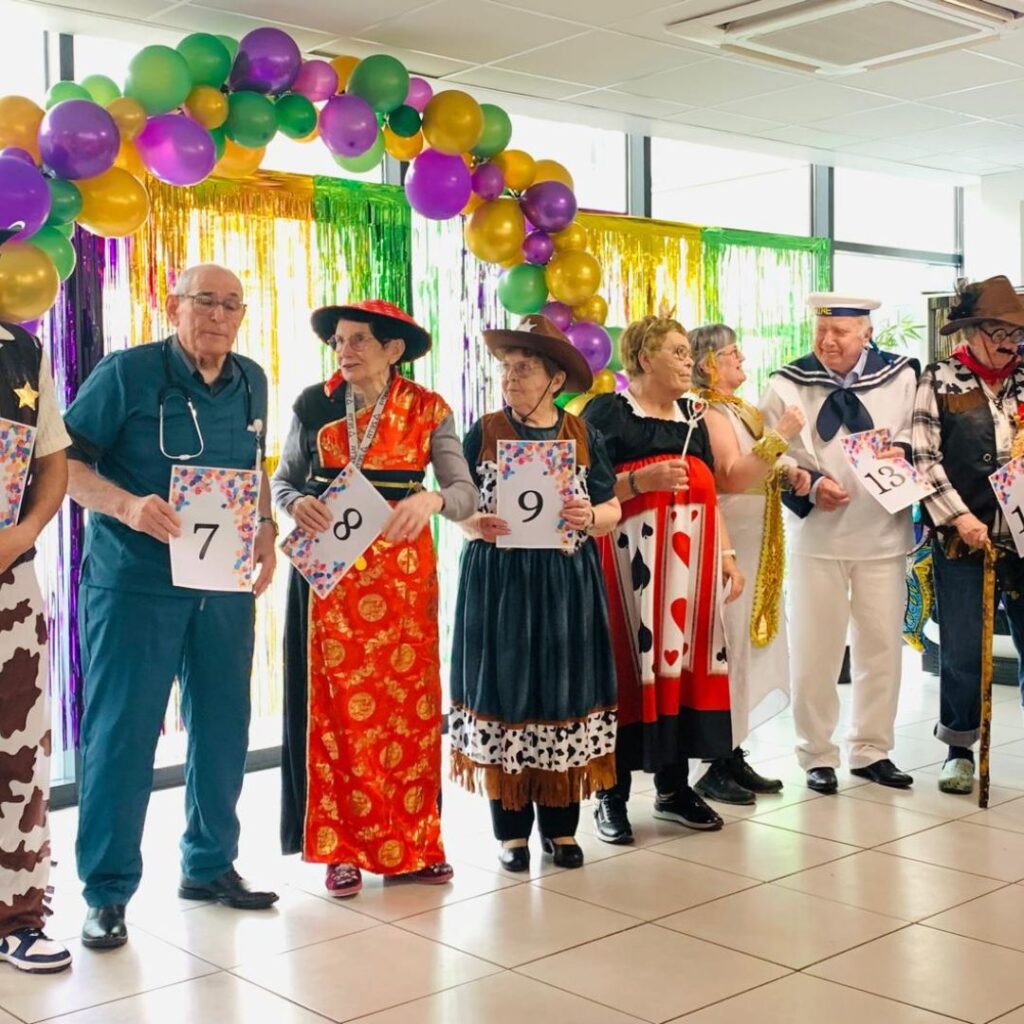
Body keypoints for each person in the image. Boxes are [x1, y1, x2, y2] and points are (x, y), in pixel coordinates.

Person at [64, 264, 278, 950]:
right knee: (123, 735)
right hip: (135, 583)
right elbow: (62, 466)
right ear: (174, 305)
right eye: (205, 301)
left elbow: (256, 469)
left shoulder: (251, 378)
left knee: (222, 727)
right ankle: (106, 891)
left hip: (221, 583)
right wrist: (126, 505)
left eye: (232, 305)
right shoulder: (126, 374)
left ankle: (210, 865)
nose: (219, 315)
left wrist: (267, 530)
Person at [273, 299, 477, 898]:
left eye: (359, 340)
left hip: (402, 578)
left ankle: (412, 844)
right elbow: (283, 478)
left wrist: (433, 501)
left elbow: (463, 491)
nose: (346, 350)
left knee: (406, 712)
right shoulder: (314, 405)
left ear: (394, 350)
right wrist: (292, 503)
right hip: (328, 581)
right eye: (339, 340)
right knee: (334, 714)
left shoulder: (428, 410)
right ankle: (341, 851)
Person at [449, 315, 620, 872]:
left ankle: (563, 828)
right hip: (501, 583)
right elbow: (455, 502)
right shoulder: (485, 430)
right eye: (505, 368)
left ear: (554, 379)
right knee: (508, 689)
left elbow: (612, 508)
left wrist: (591, 514)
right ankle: (511, 830)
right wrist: (475, 522)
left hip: (566, 583)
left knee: (562, 689)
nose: (510, 378)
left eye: (523, 369)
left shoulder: (583, 434)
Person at [583, 315, 744, 844]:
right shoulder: (608, 411)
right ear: (644, 357)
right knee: (629, 670)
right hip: (630, 570)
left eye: (687, 353)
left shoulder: (695, 416)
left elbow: (710, 494)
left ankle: (673, 789)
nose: (687, 362)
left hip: (690, 571)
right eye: (676, 352)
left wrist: (725, 553)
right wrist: (638, 480)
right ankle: (613, 793)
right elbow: (587, 491)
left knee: (681, 668)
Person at [761, 293, 918, 795]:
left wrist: (905, 451)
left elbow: (922, 434)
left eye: (841, 332)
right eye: (820, 331)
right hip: (816, 536)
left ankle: (872, 749)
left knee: (880, 647)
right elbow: (771, 451)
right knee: (815, 649)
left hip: (882, 532)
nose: (828, 341)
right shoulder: (787, 380)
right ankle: (816, 753)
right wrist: (805, 480)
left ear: (866, 333)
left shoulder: (902, 376)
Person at [689, 323, 811, 805]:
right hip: (731, 541)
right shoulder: (712, 411)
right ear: (707, 365)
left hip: (757, 539)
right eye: (731, 352)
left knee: (744, 643)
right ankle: (714, 760)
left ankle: (732, 749)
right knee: (729, 642)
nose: (741, 357)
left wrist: (790, 469)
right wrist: (782, 436)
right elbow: (733, 477)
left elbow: (758, 466)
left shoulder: (738, 410)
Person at [913, 275, 1024, 794]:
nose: (1008, 341)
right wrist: (958, 516)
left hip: (1022, 538)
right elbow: (923, 459)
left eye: (1015, 333)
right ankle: (958, 747)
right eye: (998, 331)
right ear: (973, 331)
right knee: (962, 647)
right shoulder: (939, 378)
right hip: (965, 536)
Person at [0, 223, 72, 973]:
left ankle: (18, 914)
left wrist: (23, 535)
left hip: (10, 580)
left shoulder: (24, 352)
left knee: (17, 753)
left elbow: (52, 460)